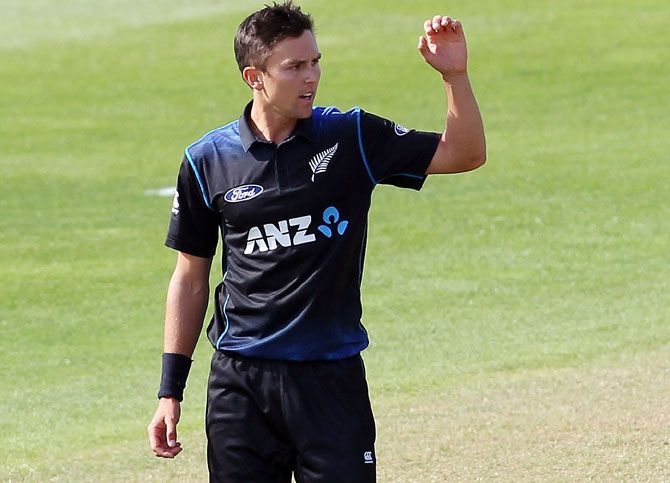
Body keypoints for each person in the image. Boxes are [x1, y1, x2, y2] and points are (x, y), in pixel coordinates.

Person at [147, 2, 485, 481]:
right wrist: (169, 391)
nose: (312, 77)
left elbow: (466, 153)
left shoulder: (351, 137)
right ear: (254, 77)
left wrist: (455, 76)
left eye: (315, 62)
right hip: (242, 386)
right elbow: (190, 278)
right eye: (295, 66)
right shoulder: (207, 160)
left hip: (331, 380)